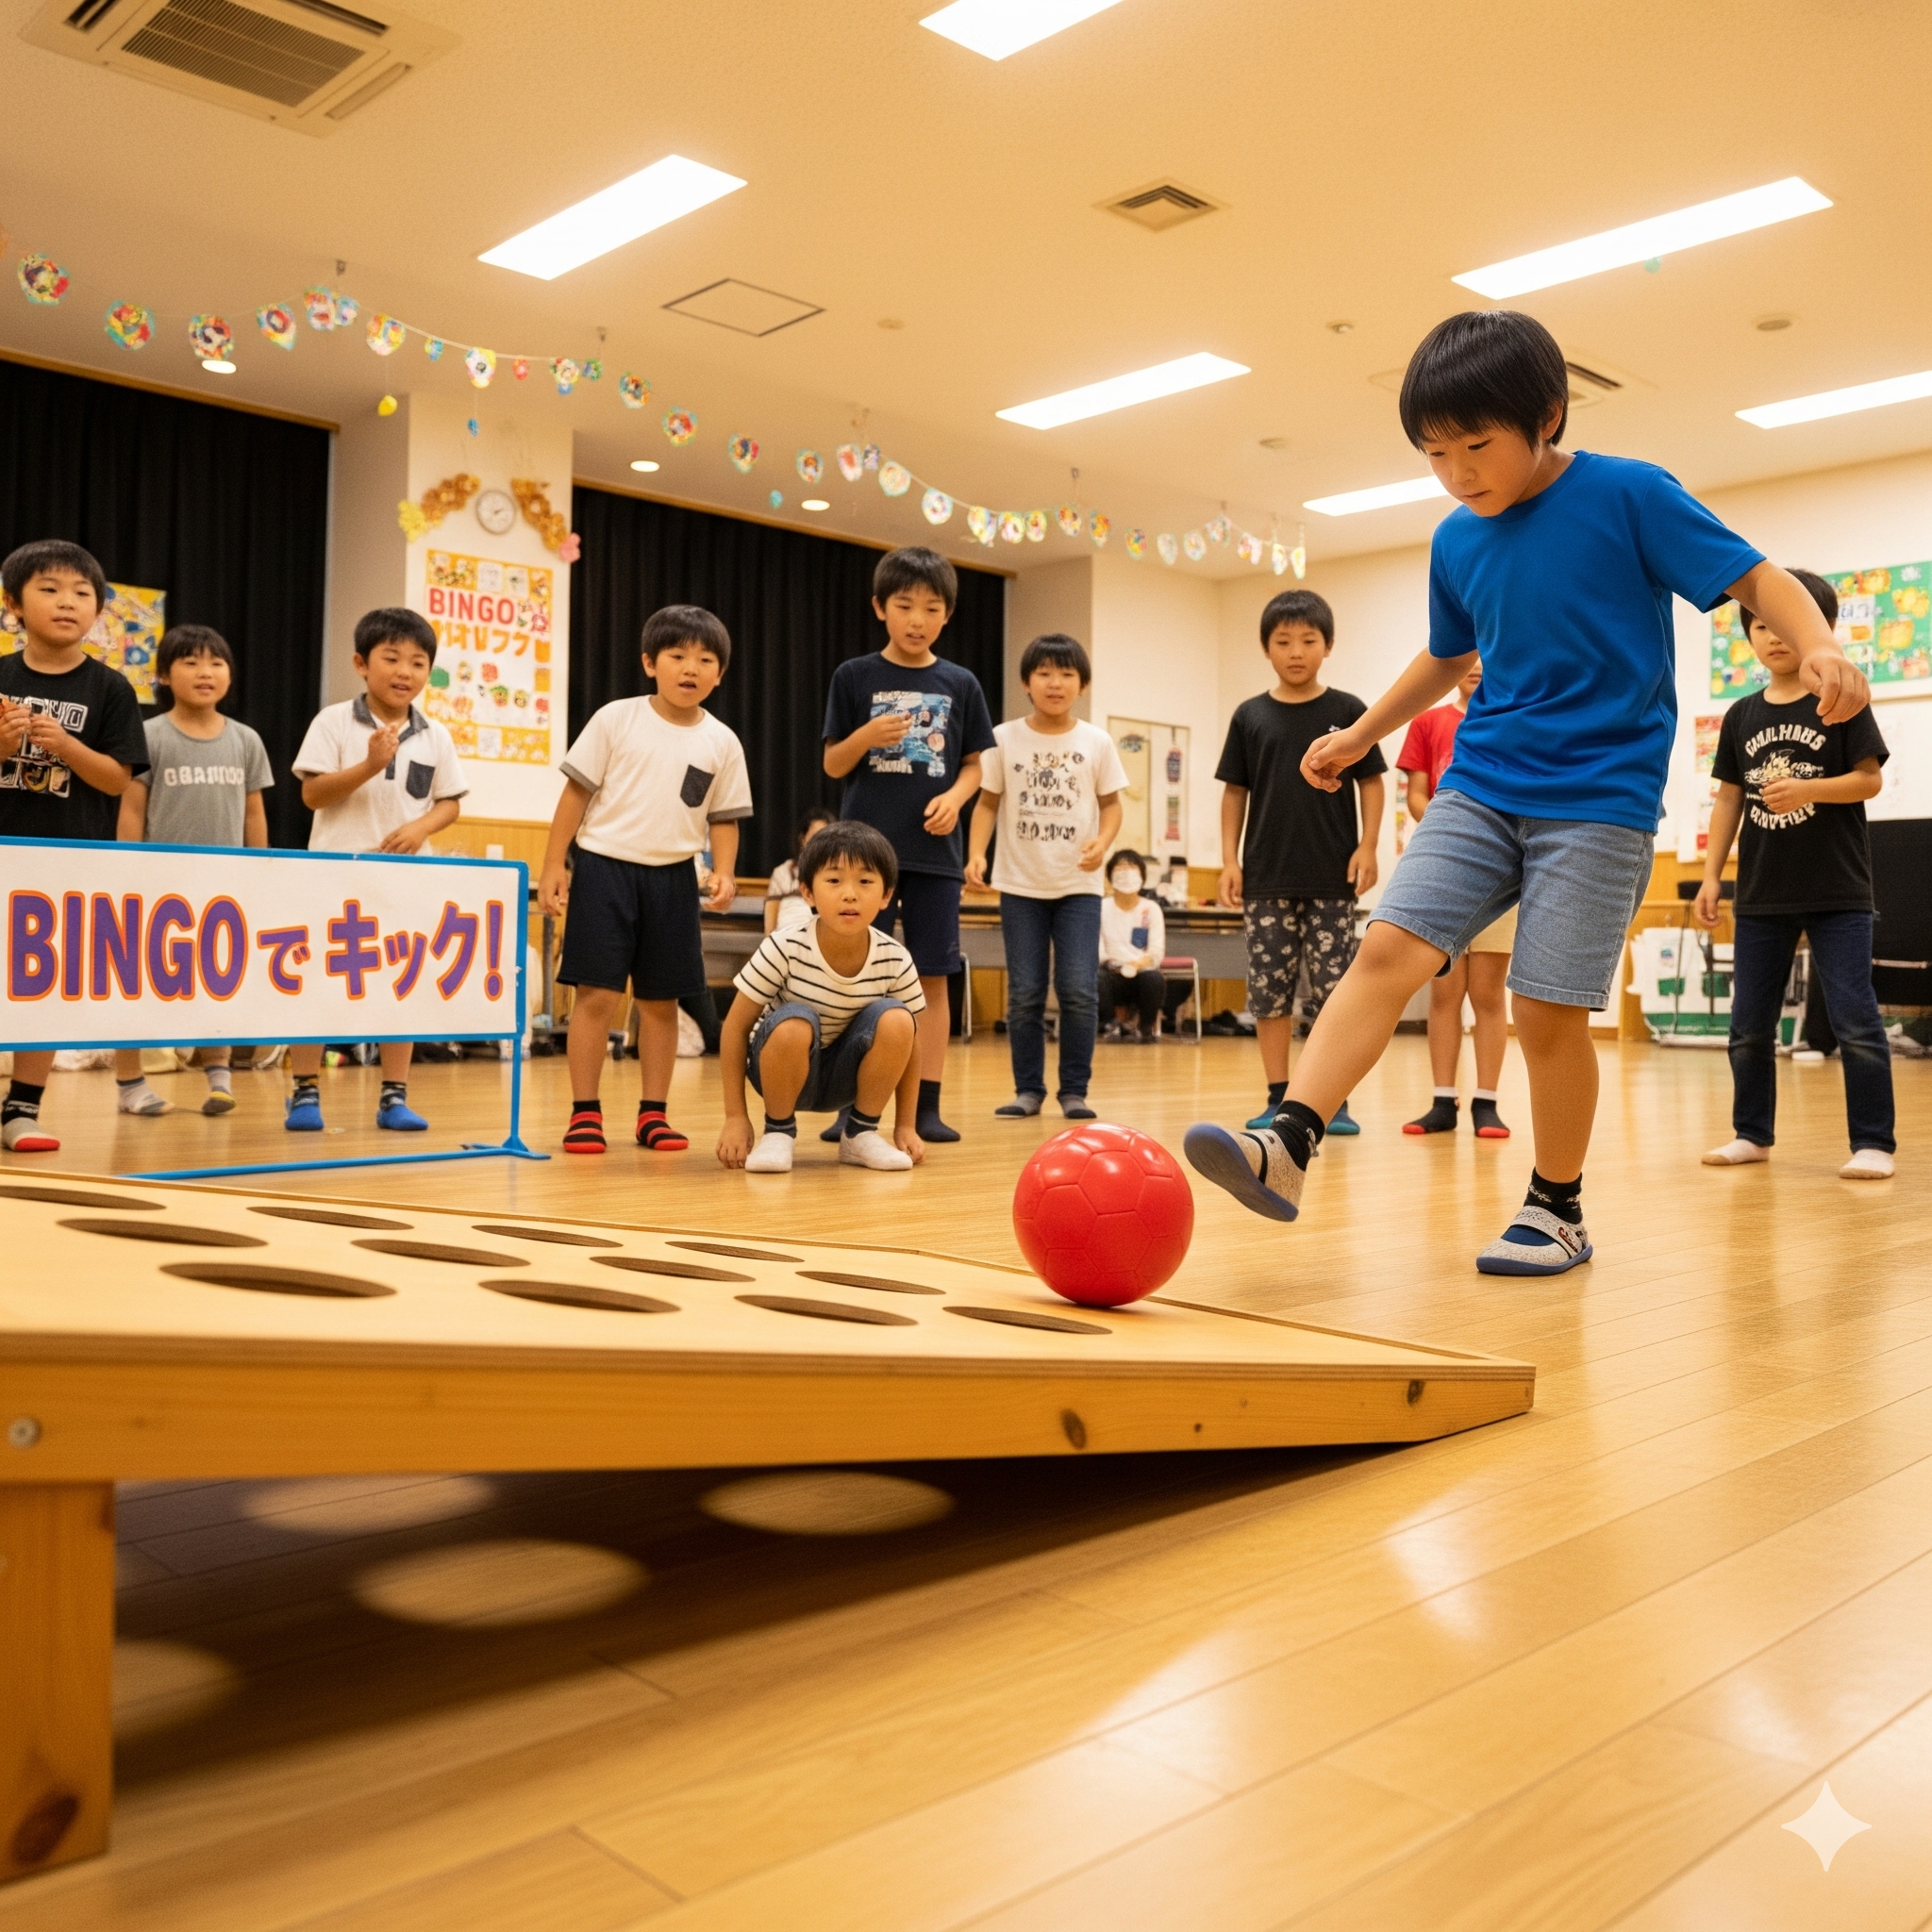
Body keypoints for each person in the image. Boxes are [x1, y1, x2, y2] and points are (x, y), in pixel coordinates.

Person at [1184, 308, 1870, 1274]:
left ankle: (1555, 1207)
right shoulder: (1456, 539)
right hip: (1483, 780)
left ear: (1545, 416)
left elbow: (1757, 581)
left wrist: (1823, 643)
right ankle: (1288, 1136)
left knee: (1547, 1010)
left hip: (1598, 796)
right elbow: (1445, 655)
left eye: (1476, 444)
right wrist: (1360, 733)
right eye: (1433, 453)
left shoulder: (1628, 494)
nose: (1458, 472)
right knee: (1385, 947)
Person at [1695, 568, 1893, 1178]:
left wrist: (1808, 787)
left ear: (1823, 630)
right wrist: (1711, 876)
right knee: (1748, 1023)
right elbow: (1728, 798)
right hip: (1761, 891)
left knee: (1855, 1018)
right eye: (1762, 624)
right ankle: (1751, 1133)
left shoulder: (1843, 700)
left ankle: (1873, 1143)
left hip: (1838, 888)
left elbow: (1870, 779)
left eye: (1789, 625)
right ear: (1750, 635)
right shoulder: (1740, 716)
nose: (1776, 636)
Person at [541, 604, 752, 1155]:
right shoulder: (617, 718)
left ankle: (653, 1114)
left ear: (719, 673)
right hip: (604, 869)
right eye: (677, 655)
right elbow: (575, 795)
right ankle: (584, 1112)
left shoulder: (723, 742)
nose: (691, 667)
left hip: (675, 880)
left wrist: (725, 872)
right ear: (649, 663)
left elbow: (724, 818)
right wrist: (552, 865)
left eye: (705, 659)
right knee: (596, 997)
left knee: (661, 1002)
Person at [822, 546, 995, 1143]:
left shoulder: (961, 683)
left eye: (931, 608)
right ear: (880, 608)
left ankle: (924, 1105)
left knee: (933, 977)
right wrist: (867, 734)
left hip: (934, 856)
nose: (917, 619)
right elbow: (833, 761)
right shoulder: (854, 676)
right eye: (904, 606)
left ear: (946, 615)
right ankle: (853, 1098)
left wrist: (956, 798)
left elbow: (976, 766)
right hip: (863, 857)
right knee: (854, 973)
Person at [289, 608, 465, 1135]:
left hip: (405, 881)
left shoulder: (435, 734)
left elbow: (450, 803)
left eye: (417, 661)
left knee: (400, 984)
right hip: (334, 876)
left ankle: (394, 1095)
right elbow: (312, 793)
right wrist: (368, 764)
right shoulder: (333, 722)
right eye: (391, 658)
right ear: (361, 664)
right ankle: (304, 1091)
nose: (404, 671)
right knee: (317, 983)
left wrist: (420, 829)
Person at [1215, 587, 1385, 1135]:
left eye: (1308, 640)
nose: (1295, 651)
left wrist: (1369, 845)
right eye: (1283, 641)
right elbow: (1234, 793)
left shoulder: (1348, 711)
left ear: (1327, 645)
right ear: (1266, 648)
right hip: (1265, 878)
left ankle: (1330, 1101)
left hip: (1335, 876)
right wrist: (1228, 861)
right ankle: (1277, 1096)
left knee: (1337, 991)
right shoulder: (1250, 716)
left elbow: (1372, 783)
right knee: (1270, 988)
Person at [0, 540, 147, 1154]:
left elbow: (119, 779)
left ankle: (21, 1109)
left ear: (98, 610)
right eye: (50, 589)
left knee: (44, 984)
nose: (68, 603)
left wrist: (66, 747)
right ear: (12, 604)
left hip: (68, 856)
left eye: (83, 593)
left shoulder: (111, 689)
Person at [112, 624, 274, 1119]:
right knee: (138, 984)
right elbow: (132, 810)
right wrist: (129, 871)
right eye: (190, 662)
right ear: (163, 675)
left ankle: (219, 1074)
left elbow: (253, 814)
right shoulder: (149, 736)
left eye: (216, 663)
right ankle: (130, 1082)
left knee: (217, 979)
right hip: (160, 887)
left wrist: (259, 871)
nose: (205, 672)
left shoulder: (246, 740)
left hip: (223, 886)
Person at [965, 632, 1125, 1118]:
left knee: (1079, 990)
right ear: (1026, 683)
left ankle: (1074, 1091)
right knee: (1026, 991)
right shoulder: (1002, 737)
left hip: (1078, 886)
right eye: (1044, 673)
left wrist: (1103, 841)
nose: (1055, 683)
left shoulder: (1096, 741)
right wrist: (976, 854)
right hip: (1020, 885)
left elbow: (1112, 806)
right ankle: (1028, 1090)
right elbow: (987, 801)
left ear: (1083, 685)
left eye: (1066, 674)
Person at [717, 819, 925, 1174]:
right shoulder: (784, 946)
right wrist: (736, 1117)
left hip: (844, 1080)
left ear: (887, 895)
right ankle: (778, 1132)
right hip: (779, 1071)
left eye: (865, 881)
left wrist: (905, 1124)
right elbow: (734, 1029)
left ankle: (860, 1134)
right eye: (834, 880)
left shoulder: (895, 958)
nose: (849, 894)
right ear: (807, 892)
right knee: (796, 1019)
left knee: (898, 1018)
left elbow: (912, 1044)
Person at [1394, 658, 1512, 1138]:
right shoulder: (1428, 721)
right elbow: (1416, 794)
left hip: (1503, 870)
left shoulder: (1512, 716)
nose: (1479, 666)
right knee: (1444, 992)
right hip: (1446, 868)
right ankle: (1443, 1099)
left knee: (1488, 993)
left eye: (1491, 656)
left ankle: (1487, 1101)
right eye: (1470, 656)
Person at [1099, 848, 1167, 1041]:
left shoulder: (1151, 909)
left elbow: (1156, 952)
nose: (1126, 873)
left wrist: (1136, 965)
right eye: (1120, 868)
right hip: (1110, 973)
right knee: (1095, 978)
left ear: (1142, 876)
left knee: (1154, 979)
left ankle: (1145, 1027)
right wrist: (1115, 965)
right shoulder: (1101, 907)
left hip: (1140, 972)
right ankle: (1111, 1024)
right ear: (1110, 876)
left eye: (1132, 868)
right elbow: (1098, 951)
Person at [765, 808, 834, 933]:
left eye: (826, 837)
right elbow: (770, 928)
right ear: (803, 839)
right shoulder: (784, 872)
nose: (820, 843)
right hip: (785, 941)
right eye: (815, 836)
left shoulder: (840, 874)